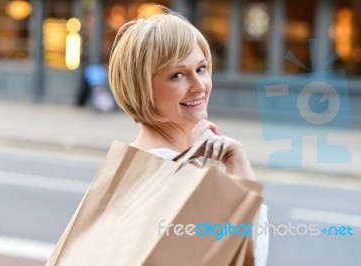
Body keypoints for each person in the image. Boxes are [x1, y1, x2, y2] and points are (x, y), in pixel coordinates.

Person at [108, 7, 268, 266]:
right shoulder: (170, 177)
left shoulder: (129, 168)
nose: (199, 86)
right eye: (178, 75)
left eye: (202, 69)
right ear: (141, 87)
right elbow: (246, 258)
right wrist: (235, 159)